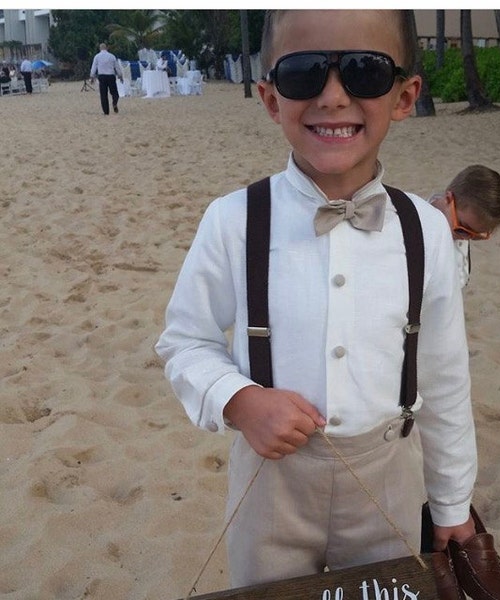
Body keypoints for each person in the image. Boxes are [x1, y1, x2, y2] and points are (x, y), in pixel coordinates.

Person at [156, 9, 477, 589]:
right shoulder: (233, 220)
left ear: (404, 97)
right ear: (272, 98)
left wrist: (452, 503)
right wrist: (240, 400)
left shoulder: (426, 230)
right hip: (270, 484)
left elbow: (445, 374)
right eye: (303, 73)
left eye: (365, 71)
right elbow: (185, 341)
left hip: (389, 476)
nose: (333, 97)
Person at [429, 165, 500, 288]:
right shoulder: (421, 235)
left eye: (477, 236)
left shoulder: (462, 222)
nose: (465, 238)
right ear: (449, 199)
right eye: (462, 229)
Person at [89, 43, 123, 115]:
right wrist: (120, 76)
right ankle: (114, 102)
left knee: (103, 95)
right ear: (106, 48)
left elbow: (94, 67)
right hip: (111, 76)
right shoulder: (112, 56)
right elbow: (117, 67)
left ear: (100, 48)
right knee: (114, 92)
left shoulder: (97, 56)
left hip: (102, 76)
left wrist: (92, 76)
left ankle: (106, 111)